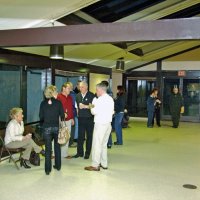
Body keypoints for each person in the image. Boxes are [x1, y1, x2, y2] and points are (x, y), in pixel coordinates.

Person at [85, 82, 114, 171]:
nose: (96, 92)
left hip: (100, 124)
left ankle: (95, 165)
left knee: (97, 145)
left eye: (97, 90)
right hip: (108, 124)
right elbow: (112, 112)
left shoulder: (100, 100)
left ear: (101, 90)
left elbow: (93, 112)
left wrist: (91, 105)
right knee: (103, 145)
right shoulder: (110, 99)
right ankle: (104, 164)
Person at [39, 85, 65, 175]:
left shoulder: (42, 103)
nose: (57, 93)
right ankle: (58, 166)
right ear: (52, 93)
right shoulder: (58, 103)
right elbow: (62, 116)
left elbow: (41, 117)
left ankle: (47, 170)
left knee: (48, 149)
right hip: (56, 128)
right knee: (57, 147)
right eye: (56, 91)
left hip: (46, 128)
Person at [73, 81, 95, 159]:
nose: (80, 88)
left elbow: (94, 106)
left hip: (89, 119)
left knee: (89, 136)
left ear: (86, 87)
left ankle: (87, 153)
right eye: (80, 87)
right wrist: (78, 115)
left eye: (82, 87)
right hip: (81, 119)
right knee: (80, 136)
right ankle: (79, 152)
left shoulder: (92, 95)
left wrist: (85, 106)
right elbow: (76, 107)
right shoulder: (77, 96)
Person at [57, 82, 74, 158]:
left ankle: (64, 154)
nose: (70, 89)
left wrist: (72, 118)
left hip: (69, 120)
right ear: (63, 88)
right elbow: (56, 109)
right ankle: (54, 153)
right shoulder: (58, 97)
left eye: (70, 88)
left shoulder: (70, 97)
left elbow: (71, 109)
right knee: (59, 136)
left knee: (67, 137)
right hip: (61, 120)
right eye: (68, 88)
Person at [68, 82, 78, 147]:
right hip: (72, 114)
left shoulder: (65, 95)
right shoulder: (73, 95)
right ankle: (71, 142)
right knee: (72, 129)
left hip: (67, 114)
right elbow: (75, 105)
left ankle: (68, 142)